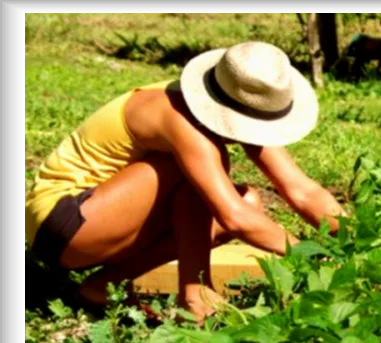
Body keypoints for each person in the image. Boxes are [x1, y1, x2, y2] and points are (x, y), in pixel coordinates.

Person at [24, 41, 346, 322]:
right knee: (196, 176)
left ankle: (103, 287)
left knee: (249, 201)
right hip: (61, 222)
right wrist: (309, 255)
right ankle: (195, 297)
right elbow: (232, 216)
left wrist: (358, 244)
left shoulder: (235, 105)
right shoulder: (179, 119)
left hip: (98, 221)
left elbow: (300, 189)